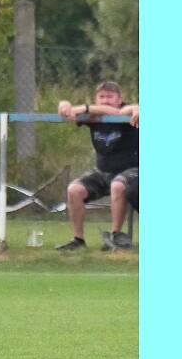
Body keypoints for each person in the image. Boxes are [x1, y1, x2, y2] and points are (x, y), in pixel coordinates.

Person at [55, 81, 139, 251]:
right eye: (102, 97)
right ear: (96, 99)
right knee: (74, 190)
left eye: (110, 97)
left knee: (118, 185)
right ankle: (78, 239)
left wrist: (85, 108)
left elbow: (119, 112)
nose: (105, 100)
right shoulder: (93, 116)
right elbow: (68, 112)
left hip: (132, 170)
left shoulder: (128, 112)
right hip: (102, 171)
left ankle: (116, 236)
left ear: (119, 99)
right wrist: (64, 105)